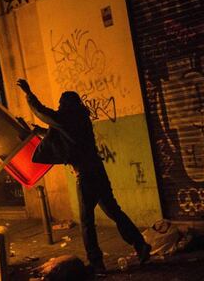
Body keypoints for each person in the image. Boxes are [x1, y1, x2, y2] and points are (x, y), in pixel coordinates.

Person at [17, 79, 151, 278]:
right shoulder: (80, 118)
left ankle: (96, 263)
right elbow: (62, 133)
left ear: (67, 105)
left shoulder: (67, 118)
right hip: (97, 171)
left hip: (86, 176)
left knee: (87, 221)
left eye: (62, 104)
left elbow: (45, 113)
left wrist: (29, 93)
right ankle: (140, 245)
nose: (60, 107)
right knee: (114, 211)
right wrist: (37, 130)